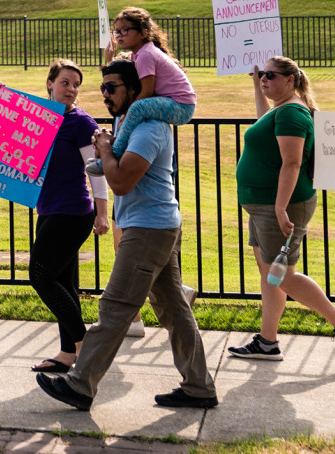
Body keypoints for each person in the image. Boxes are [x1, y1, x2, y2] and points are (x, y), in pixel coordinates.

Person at [37, 59, 216, 411]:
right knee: (174, 310)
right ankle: (199, 386)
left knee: (114, 308)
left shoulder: (149, 128)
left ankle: (80, 385)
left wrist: (104, 148)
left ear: (135, 90)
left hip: (148, 229)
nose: (105, 94)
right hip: (153, 223)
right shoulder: (129, 123)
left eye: (112, 87)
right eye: (103, 88)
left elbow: (119, 180)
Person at [227, 57, 335, 364]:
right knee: (269, 273)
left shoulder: (292, 113)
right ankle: (267, 342)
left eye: (270, 75)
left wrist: (279, 207)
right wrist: (255, 83)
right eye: (262, 74)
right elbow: (264, 120)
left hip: (282, 206)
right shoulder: (280, 110)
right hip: (263, 205)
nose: (264, 78)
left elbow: (293, 162)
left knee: (282, 276)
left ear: (290, 80)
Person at [0, 60, 108, 373]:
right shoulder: (38, 119)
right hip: (48, 208)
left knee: (41, 275)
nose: (71, 90)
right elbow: (4, 129)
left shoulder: (81, 123)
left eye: (76, 84)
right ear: (50, 84)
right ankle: (66, 354)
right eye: (65, 83)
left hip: (73, 212)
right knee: (63, 282)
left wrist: (102, 213)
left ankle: (82, 344)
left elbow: (97, 171)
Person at [86, 7, 195, 176]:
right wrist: (110, 59)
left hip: (181, 106)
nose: (119, 35)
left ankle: (112, 154)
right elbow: (122, 75)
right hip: (177, 104)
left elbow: (146, 92)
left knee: (136, 109)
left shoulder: (145, 55)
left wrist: (126, 116)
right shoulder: (139, 54)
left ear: (143, 33)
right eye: (117, 31)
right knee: (135, 110)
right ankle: (113, 154)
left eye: (125, 30)